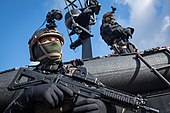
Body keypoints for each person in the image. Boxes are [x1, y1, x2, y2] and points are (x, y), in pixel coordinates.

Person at [4, 27, 116, 113]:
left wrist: (106, 108)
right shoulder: (28, 80)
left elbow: (115, 99)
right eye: (47, 39)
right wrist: (29, 96)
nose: (53, 43)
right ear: (35, 49)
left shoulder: (79, 74)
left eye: (57, 40)